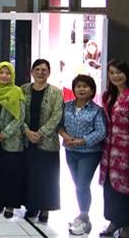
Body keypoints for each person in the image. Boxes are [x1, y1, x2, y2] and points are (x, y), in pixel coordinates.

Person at [58, 75, 106, 236]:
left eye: (85, 86)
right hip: (70, 152)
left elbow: (101, 132)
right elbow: (59, 125)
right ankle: (82, 215)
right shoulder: (67, 106)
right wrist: (65, 136)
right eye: (78, 86)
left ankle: (84, 218)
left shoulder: (96, 110)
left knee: (82, 184)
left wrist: (80, 141)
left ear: (92, 90)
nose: (81, 89)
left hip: (89, 153)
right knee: (77, 184)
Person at [21, 59, 63, 222]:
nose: (40, 72)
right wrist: (26, 131)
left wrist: (40, 133)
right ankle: (31, 206)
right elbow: (19, 113)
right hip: (27, 139)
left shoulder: (56, 92)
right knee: (31, 174)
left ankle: (45, 208)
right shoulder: (24, 90)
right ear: (32, 72)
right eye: (37, 69)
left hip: (47, 141)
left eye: (44, 70)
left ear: (49, 72)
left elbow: (57, 116)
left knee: (47, 176)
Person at [0, 62, 26, 219]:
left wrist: (5, 133)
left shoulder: (17, 92)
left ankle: (10, 205)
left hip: (12, 140)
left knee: (11, 173)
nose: (4, 76)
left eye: (8, 73)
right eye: (1, 72)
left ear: (12, 75)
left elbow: (20, 117)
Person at [99, 59, 129, 238]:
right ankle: (114, 221)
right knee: (110, 187)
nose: (115, 76)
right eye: (111, 73)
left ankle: (126, 225)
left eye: (119, 72)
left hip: (125, 150)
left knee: (125, 189)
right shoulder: (107, 96)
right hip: (109, 150)